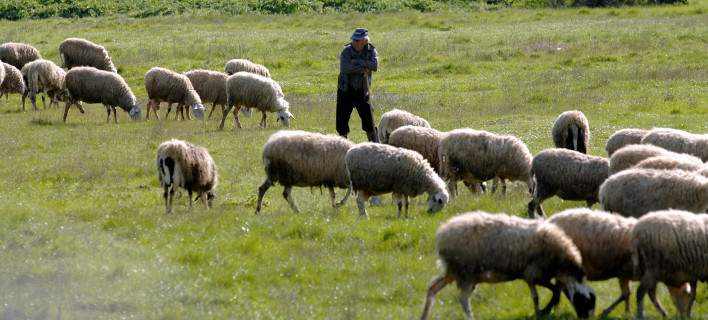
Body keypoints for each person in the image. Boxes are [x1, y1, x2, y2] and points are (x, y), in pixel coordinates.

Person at [336, 28, 379, 142]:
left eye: (357, 40)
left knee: (369, 120)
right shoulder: (346, 51)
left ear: (364, 41)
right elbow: (345, 68)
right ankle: (343, 145)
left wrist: (357, 62)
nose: (354, 42)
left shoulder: (371, 51)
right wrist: (364, 67)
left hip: (363, 90)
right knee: (342, 121)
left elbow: (374, 66)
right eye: (354, 40)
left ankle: (375, 145)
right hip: (345, 89)